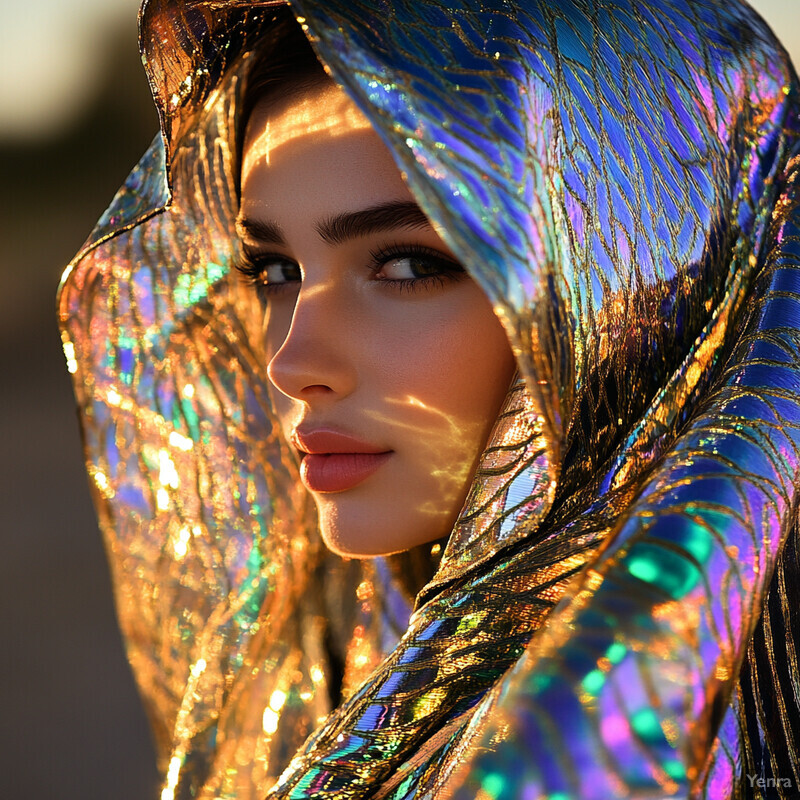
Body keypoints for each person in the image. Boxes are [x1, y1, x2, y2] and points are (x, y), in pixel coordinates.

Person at [57, 1, 800, 798]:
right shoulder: (393, 650)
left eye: (409, 265)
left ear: (633, 278)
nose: (291, 361)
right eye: (275, 271)